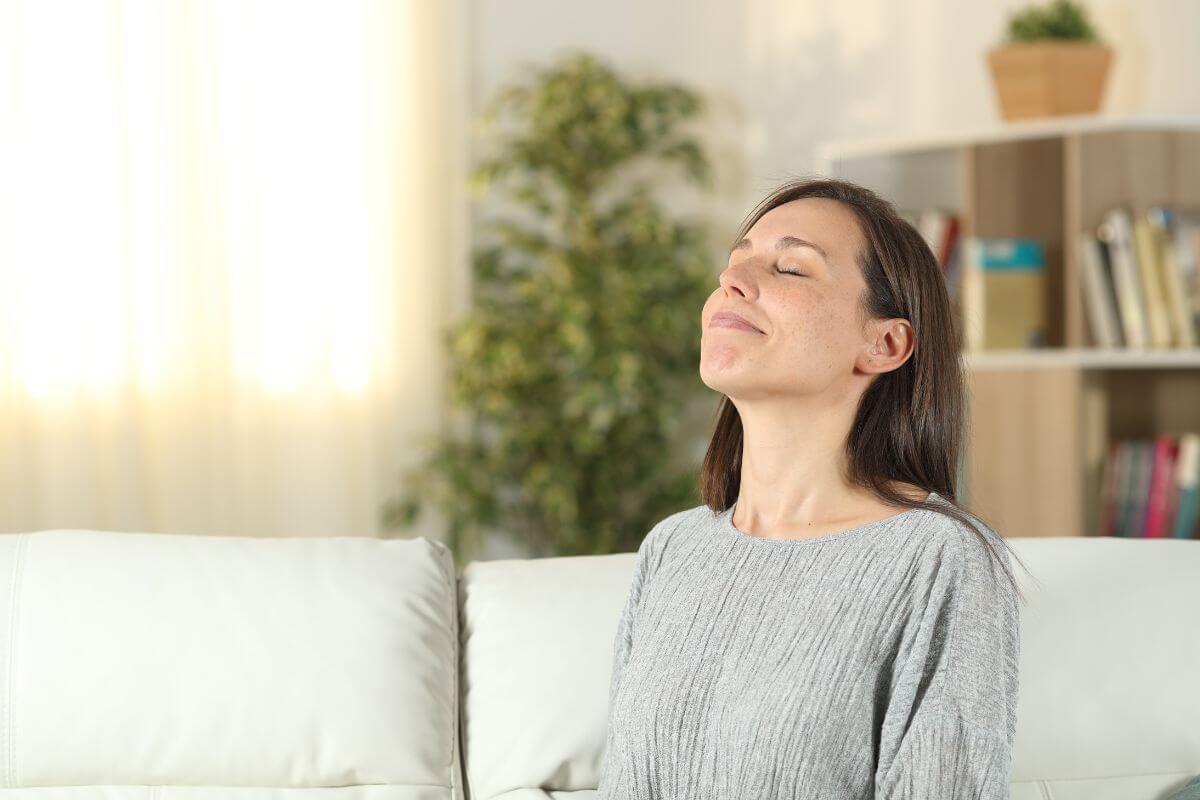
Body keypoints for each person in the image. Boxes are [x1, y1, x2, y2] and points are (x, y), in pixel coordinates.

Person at [595, 176, 1033, 799]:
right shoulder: (673, 550)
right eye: (735, 260)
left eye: (790, 269)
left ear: (884, 343)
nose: (734, 281)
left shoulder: (938, 561)